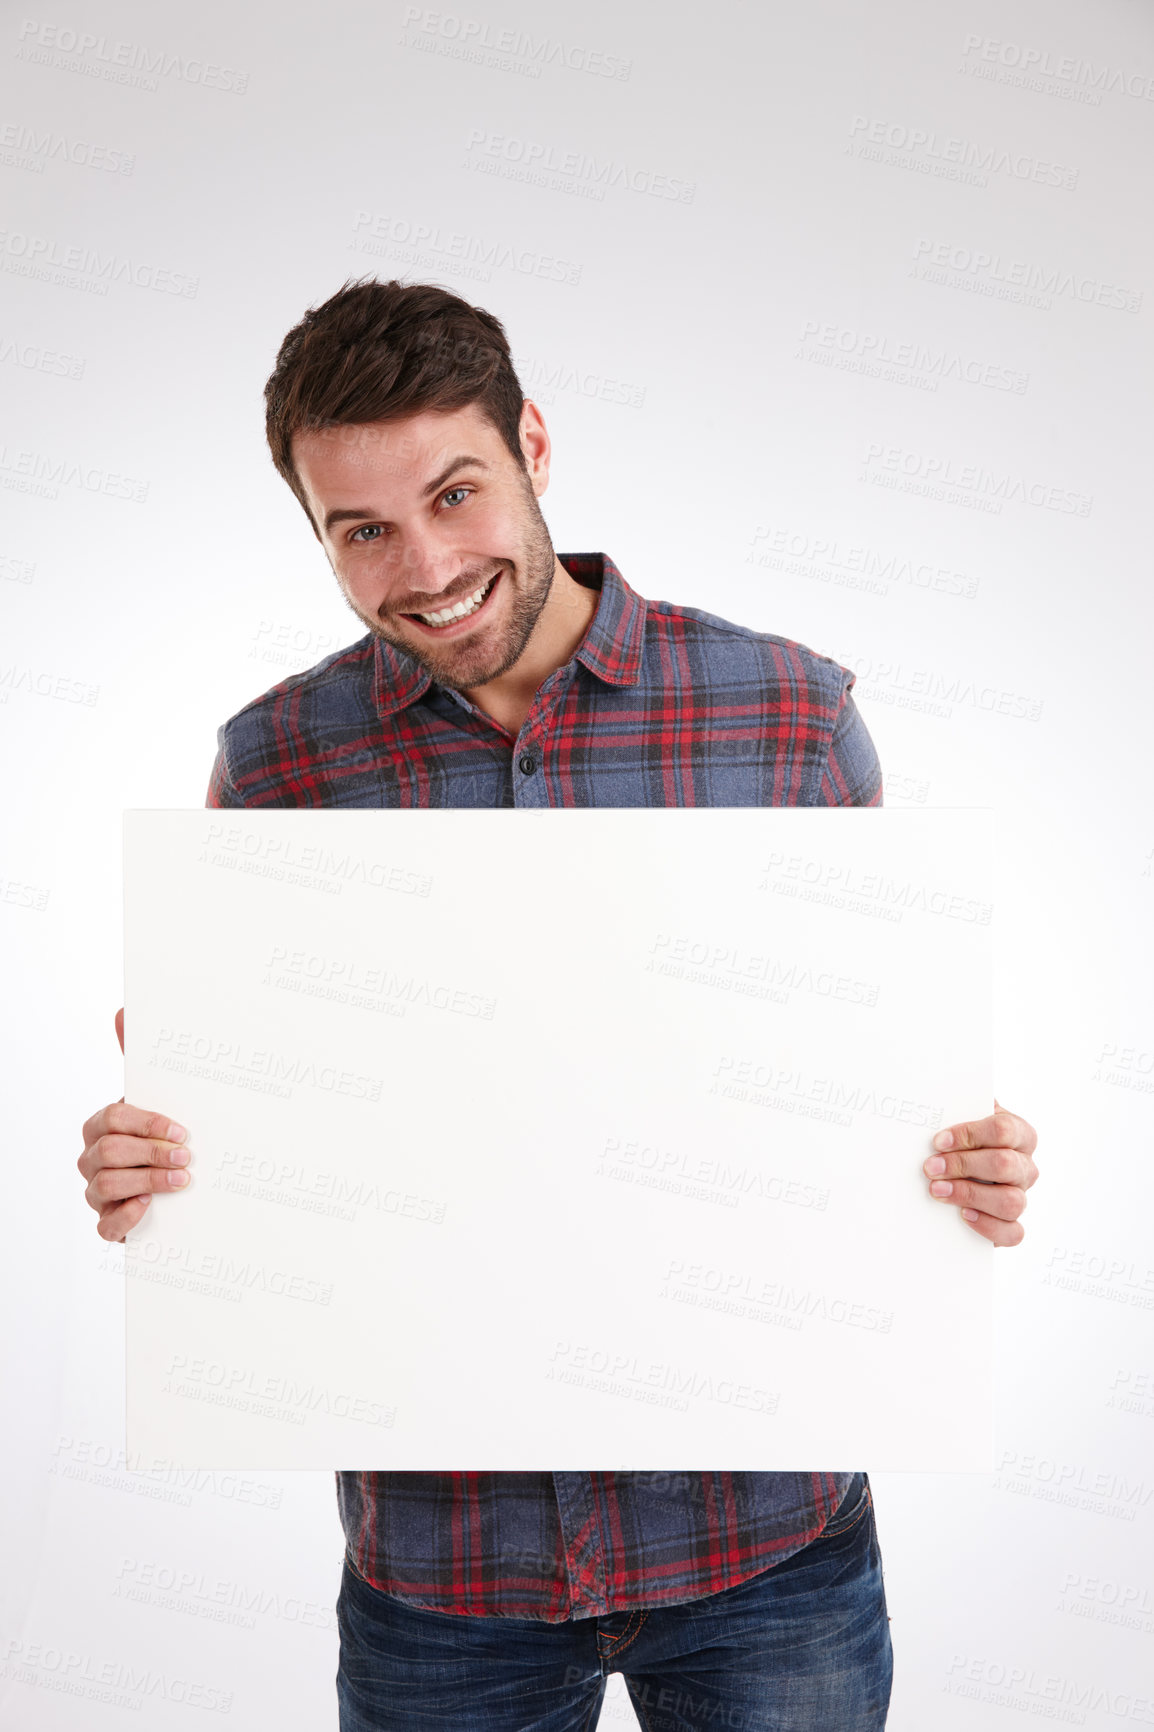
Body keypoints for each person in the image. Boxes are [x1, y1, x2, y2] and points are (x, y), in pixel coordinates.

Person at [77, 279, 1040, 1731]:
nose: (426, 565)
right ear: (317, 535)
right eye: (363, 530)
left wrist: (956, 1167)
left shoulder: (782, 713)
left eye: (455, 493)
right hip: (442, 1576)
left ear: (532, 442)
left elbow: (861, 1077)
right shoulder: (279, 763)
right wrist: (156, 1167)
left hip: (765, 1554)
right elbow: (233, 1119)